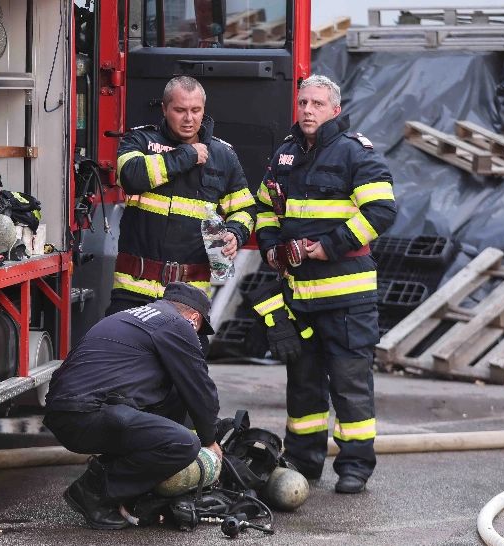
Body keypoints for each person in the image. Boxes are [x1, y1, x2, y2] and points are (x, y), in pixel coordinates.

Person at [251, 75, 397, 494]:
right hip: (299, 298)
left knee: (351, 388)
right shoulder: (285, 154)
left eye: (317, 103)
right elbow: (264, 206)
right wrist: (270, 247)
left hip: (347, 298)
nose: (308, 110)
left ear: (335, 109)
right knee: (303, 386)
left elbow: (381, 212)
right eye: (303, 102)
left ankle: (354, 467)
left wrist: (326, 248)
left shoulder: (356, 154)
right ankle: (303, 461)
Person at [43, 282, 222, 529]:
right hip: (86, 414)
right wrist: (209, 439)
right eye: (200, 329)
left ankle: (122, 486)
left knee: (174, 396)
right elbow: (199, 386)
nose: (198, 337)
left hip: (69, 412)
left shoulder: (138, 317)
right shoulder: (176, 324)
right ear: (194, 318)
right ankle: (93, 491)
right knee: (183, 444)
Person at [107, 76, 255, 314]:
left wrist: (235, 234)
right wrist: (186, 156)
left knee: (186, 353)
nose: (189, 118)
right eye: (180, 110)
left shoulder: (223, 155)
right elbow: (130, 177)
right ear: (165, 109)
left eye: (196, 110)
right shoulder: (140, 140)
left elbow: (245, 209)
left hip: (189, 295)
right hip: (133, 291)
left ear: (204, 110)